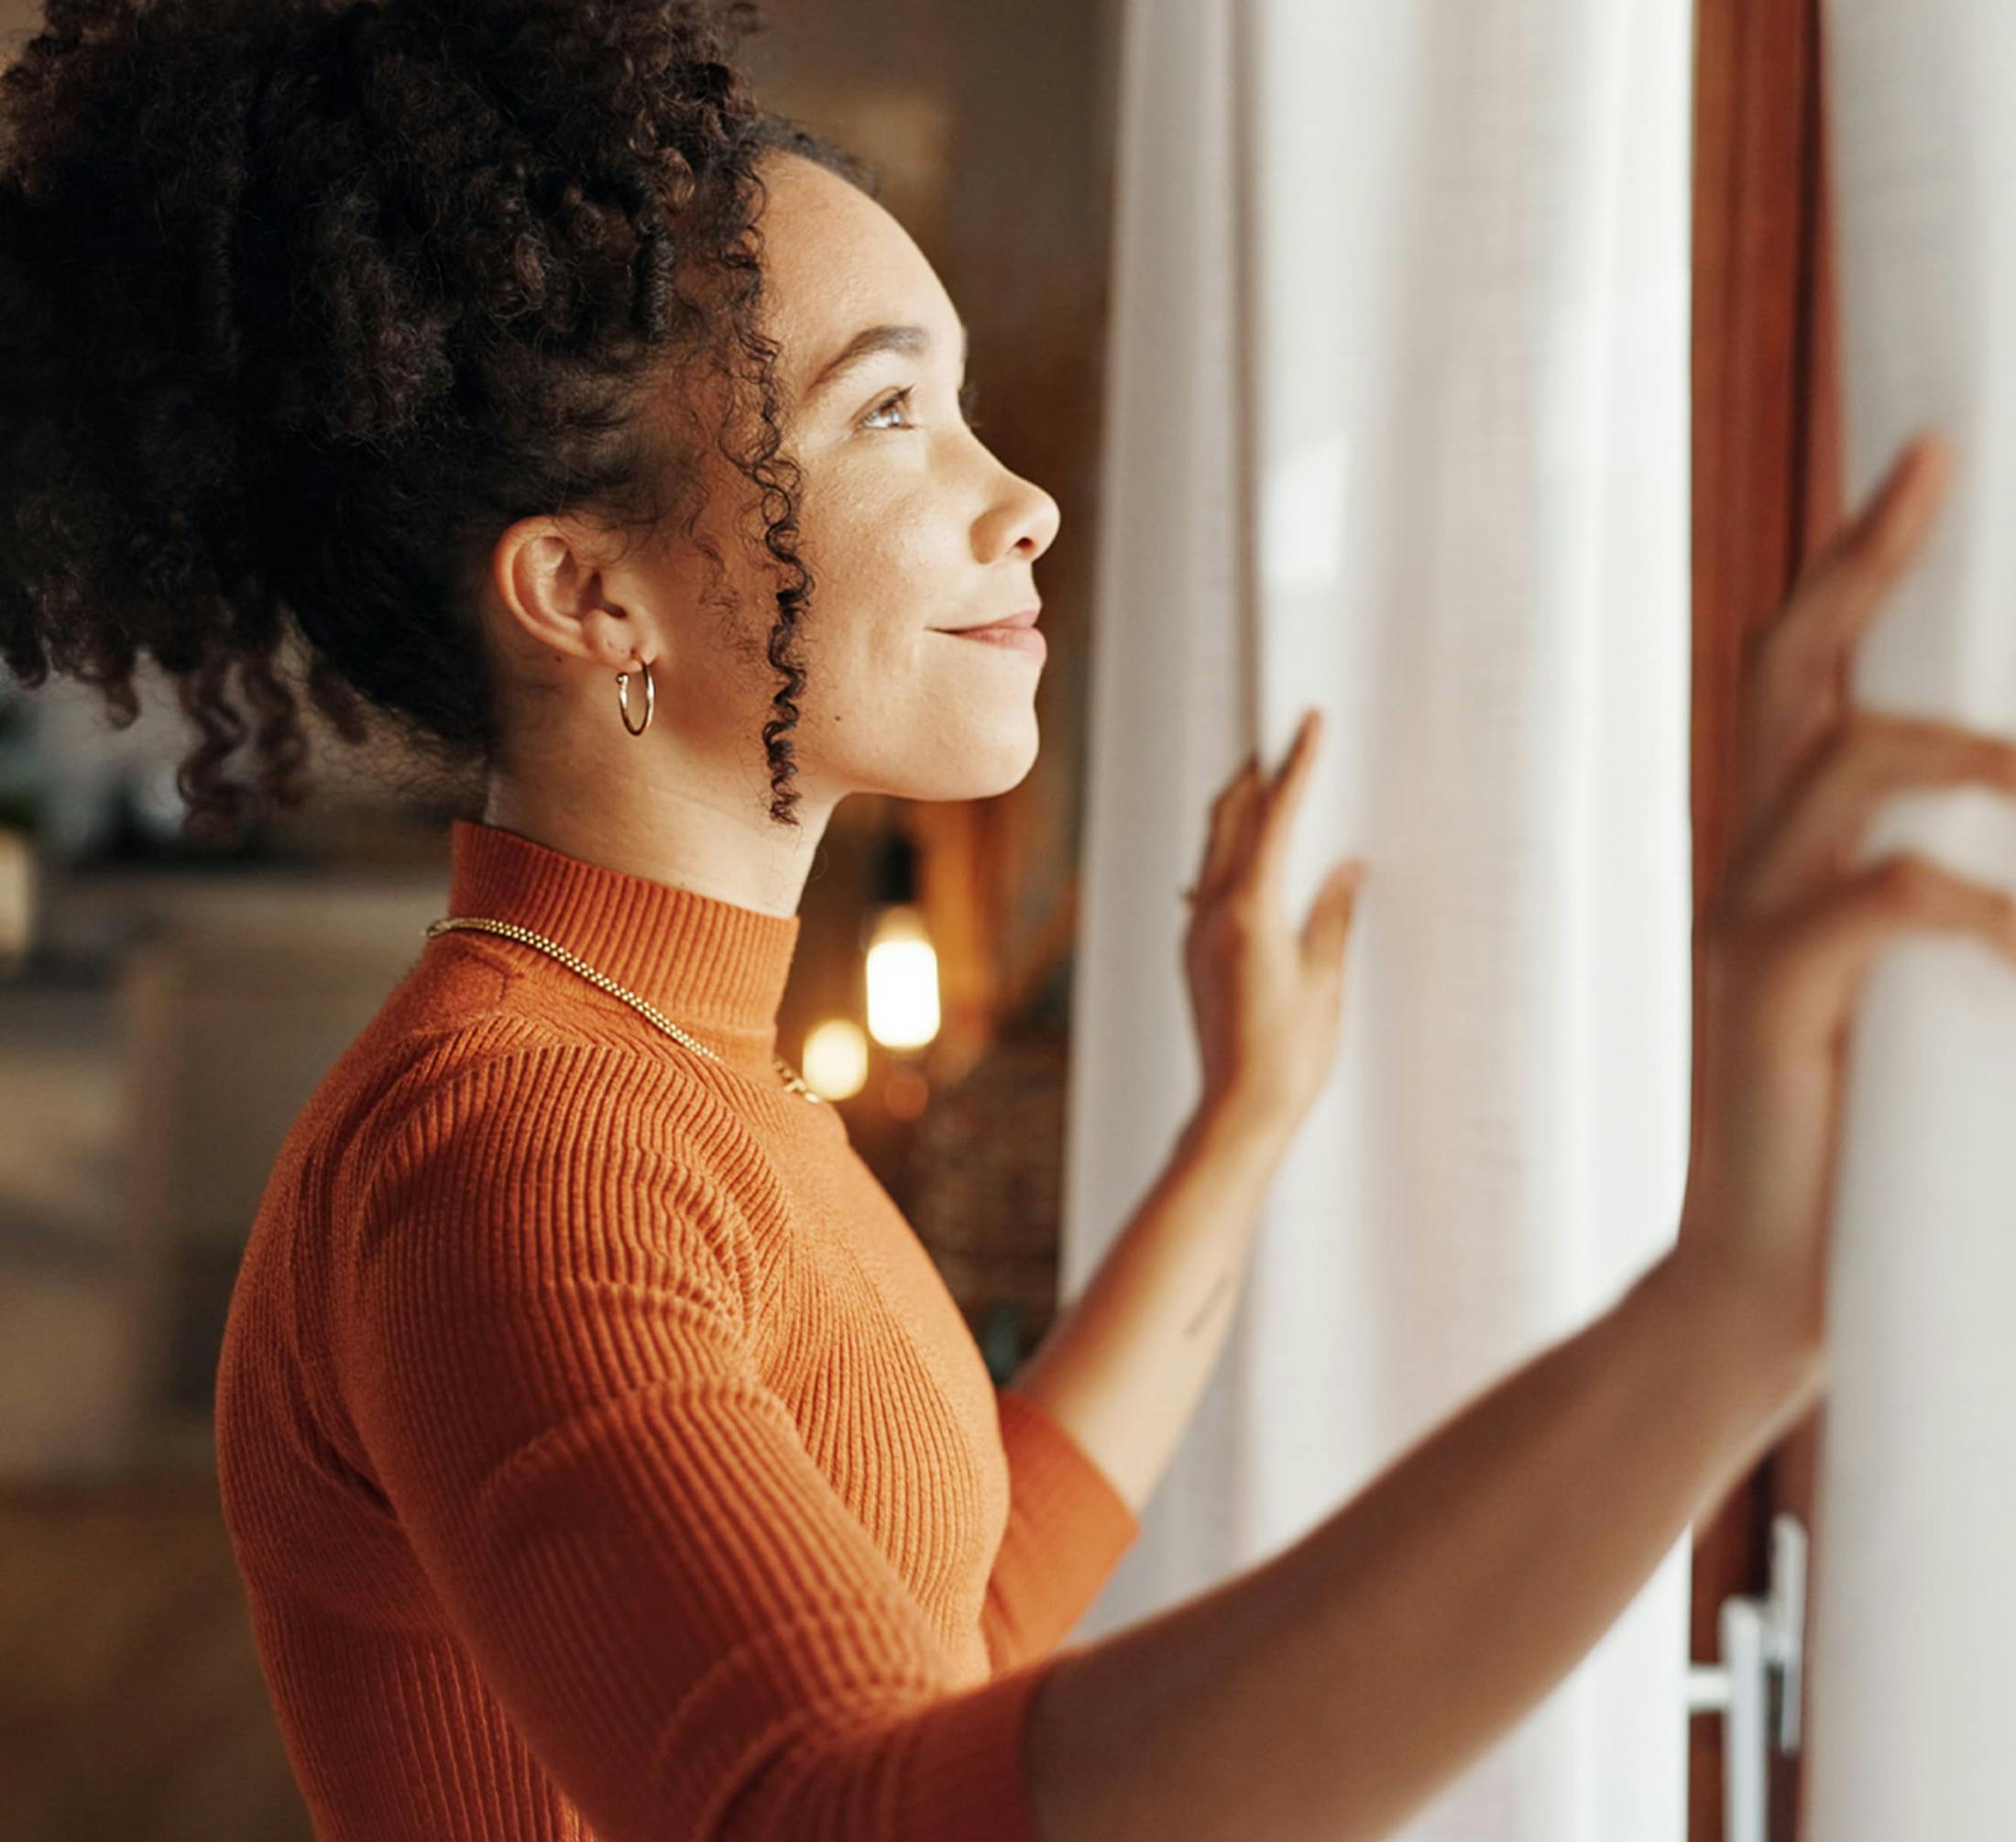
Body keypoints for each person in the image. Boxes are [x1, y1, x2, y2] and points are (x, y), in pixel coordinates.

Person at [5, 2, 2015, 1837]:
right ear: (586, 596)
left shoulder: (659, 1065)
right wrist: (1734, 1308)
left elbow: (952, 1611)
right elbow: (859, 1810)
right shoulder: (514, 1151)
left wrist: (1239, 1128)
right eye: (888, 414)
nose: (1019, 499)